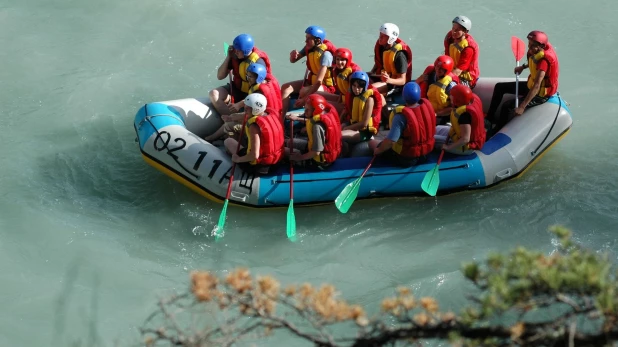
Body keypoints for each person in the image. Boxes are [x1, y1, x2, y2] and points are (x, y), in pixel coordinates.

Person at [486, 30, 560, 132]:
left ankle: (496, 131)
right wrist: (523, 67)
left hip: (540, 94)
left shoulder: (544, 61)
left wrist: (522, 106)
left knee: (507, 106)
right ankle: (489, 119)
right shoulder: (537, 51)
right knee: (499, 87)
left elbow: (537, 85)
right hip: (531, 85)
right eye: (529, 43)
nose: (529, 47)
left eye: (533, 45)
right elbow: (533, 61)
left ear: (541, 46)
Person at [205, 63, 282, 142]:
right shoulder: (267, 84)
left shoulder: (259, 93)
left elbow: (251, 114)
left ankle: (213, 139)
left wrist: (231, 117)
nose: (247, 79)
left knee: (228, 125)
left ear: (259, 77)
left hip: (261, 125)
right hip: (273, 120)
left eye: (250, 76)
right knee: (233, 119)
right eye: (247, 76)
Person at [370, 82, 435, 167]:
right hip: (427, 154)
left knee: (371, 143)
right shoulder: (427, 107)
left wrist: (378, 150)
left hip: (407, 158)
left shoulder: (401, 116)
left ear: (404, 97)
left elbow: (391, 142)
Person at [281, 25, 337, 117]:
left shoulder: (326, 55)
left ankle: (305, 112)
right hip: (312, 81)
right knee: (285, 87)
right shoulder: (309, 47)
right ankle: (281, 116)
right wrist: (293, 56)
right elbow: (294, 60)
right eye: (306, 38)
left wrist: (304, 99)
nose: (305, 41)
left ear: (317, 40)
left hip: (326, 86)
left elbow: (319, 82)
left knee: (304, 91)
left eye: (308, 38)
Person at [209, 34, 271, 116]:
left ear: (246, 50)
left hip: (252, 94)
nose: (235, 51)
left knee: (251, 106)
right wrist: (228, 57)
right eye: (235, 49)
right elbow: (220, 76)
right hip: (237, 90)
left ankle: (235, 120)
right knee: (213, 94)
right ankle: (228, 118)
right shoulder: (235, 56)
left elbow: (259, 93)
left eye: (238, 50)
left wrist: (239, 105)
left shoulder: (258, 63)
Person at [224, 93, 284, 175]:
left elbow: (254, 155)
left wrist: (238, 159)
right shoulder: (270, 114)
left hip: (258, 167)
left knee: (228, 141)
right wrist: (230, 118)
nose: (244, 110)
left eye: (247, 108)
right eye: (245, 106)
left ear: (255, 109)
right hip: (277, 162)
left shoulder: (254, 126)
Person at [285, 94, 342, 169]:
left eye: (307, 109)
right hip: (314, 149)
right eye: (305, 108)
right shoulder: (324, 114)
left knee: (284, 151)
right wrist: (297, 118)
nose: (305, 111)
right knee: (288, 142)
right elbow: (311, 121)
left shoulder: (317, 127)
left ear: (315, 110)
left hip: (319, 162)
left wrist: (299, 157)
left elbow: (316, 152)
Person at [435, 85, 486, 155]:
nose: (449, 97)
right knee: (435, 129)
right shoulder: (466, 102)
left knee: (431, 139)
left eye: (451, 96)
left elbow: (465, 139)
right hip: (457, 135)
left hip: (466, 146)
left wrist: (448, 147)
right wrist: (436, 114)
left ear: (457, 100)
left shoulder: (464, 116)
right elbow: (453, 110)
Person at [369, 23, 413, 96]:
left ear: (390, 38)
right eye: (380, 35)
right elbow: (380, 62)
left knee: (369, 90)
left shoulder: (400, 55)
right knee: (357, 78)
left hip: (394, 85)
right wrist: (372, 72)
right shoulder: (382, 46)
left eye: (383, 36)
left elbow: (402, 80)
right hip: (383, 78)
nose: (380, 37)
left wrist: (389, 80)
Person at [315, 48, 362, 114]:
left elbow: (354, 95)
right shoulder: (337, 70)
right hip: (344, 99)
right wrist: (339, 99)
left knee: (318, 103)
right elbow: (342, 89)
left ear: (347, 61)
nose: (339, 62)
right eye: (338, 59)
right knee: (315, 95)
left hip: (350, 105)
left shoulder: (353, 74)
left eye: (342, 60)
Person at [342, 71, 383, 144]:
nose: (356, 89)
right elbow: (346, 110)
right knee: (334, 130)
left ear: (364, 86)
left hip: (364, 132)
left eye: (359, 87)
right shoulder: (354, 95)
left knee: (339, 135)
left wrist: (347, 128)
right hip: (353, 124)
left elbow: (364, 123)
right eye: (354, 86)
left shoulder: (370, 100)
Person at [443, 16, 480, 89]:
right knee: (429, 71)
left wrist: (441, 79)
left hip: (466, 79)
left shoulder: (468, 48)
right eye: (453, 28)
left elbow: (458, 71)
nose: (454, 32)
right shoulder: (450, 37)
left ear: (465, 32)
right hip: (452, 71)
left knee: (447, 86)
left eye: (457, 30)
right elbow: (447, 58)